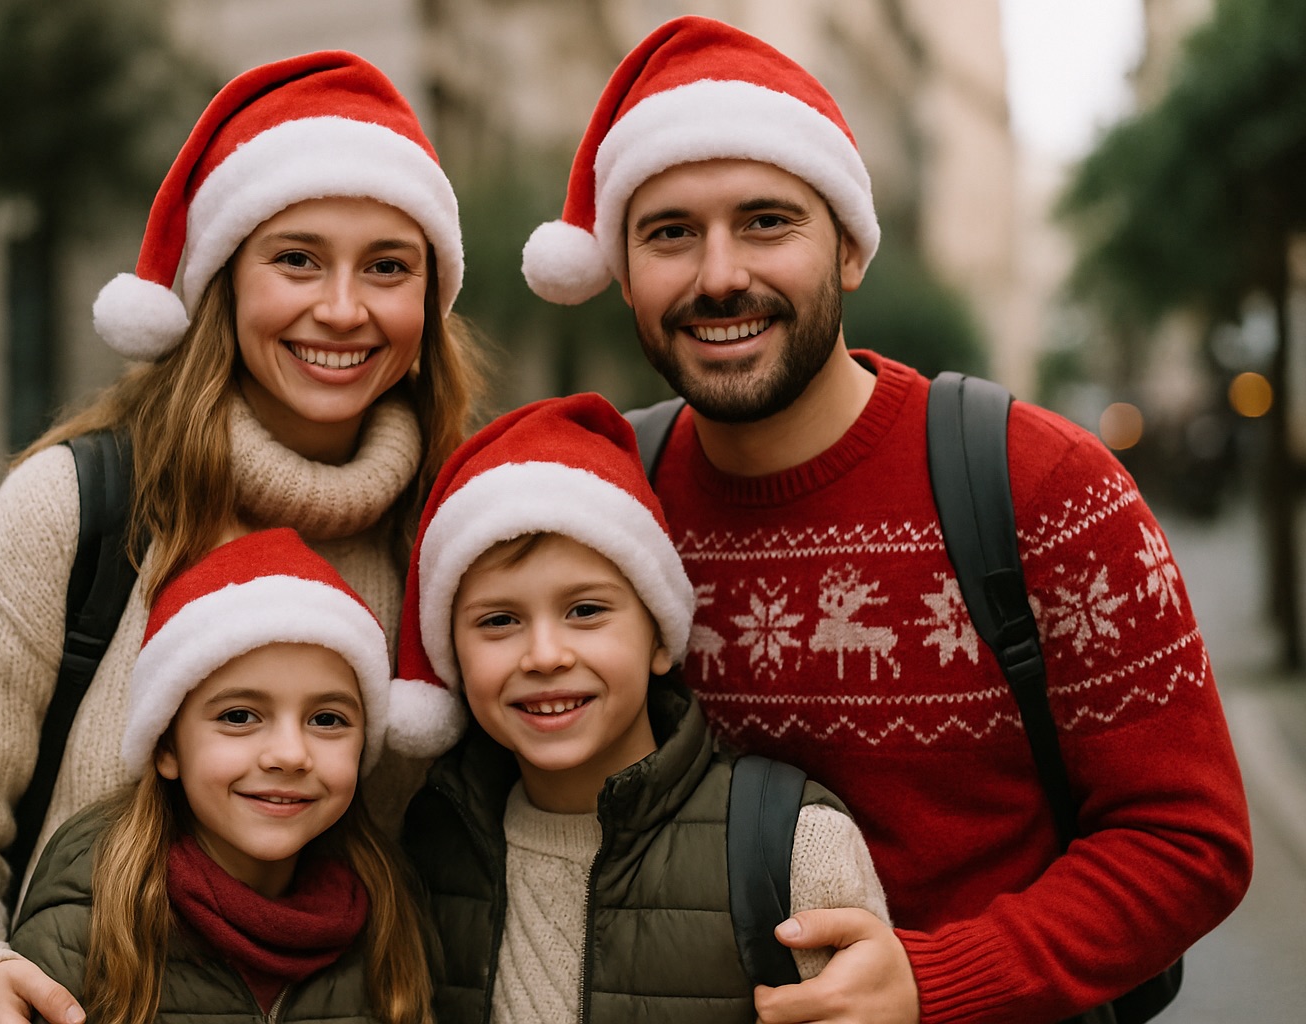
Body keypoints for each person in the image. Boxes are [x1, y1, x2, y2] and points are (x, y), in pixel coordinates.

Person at [519, 16, 1252, 1024]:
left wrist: (938, 981)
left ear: (850, 253)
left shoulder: (1043, 485)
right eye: (670, 233)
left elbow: (1189, 838)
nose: (720, 273)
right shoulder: (600, 503)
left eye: (767, 221)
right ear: (620, 269)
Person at [0, 52, 480, 1024]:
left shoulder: (459, 532)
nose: (345, 308)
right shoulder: (79, 507)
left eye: (389, 267)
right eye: (298, 258)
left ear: (429, 302)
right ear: (223, 279)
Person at [393, 392, 889, 1024]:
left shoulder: (793, 845)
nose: (544, 655)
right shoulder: (431, 845)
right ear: (452, 657)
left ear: (659, 636)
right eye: (499, 620)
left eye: (586, 611)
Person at [10, 527, 433, 1024]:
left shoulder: (385, 920)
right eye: (239, 717)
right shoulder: (92, 918)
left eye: (327, 720)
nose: (290, 755)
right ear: (167, 746)